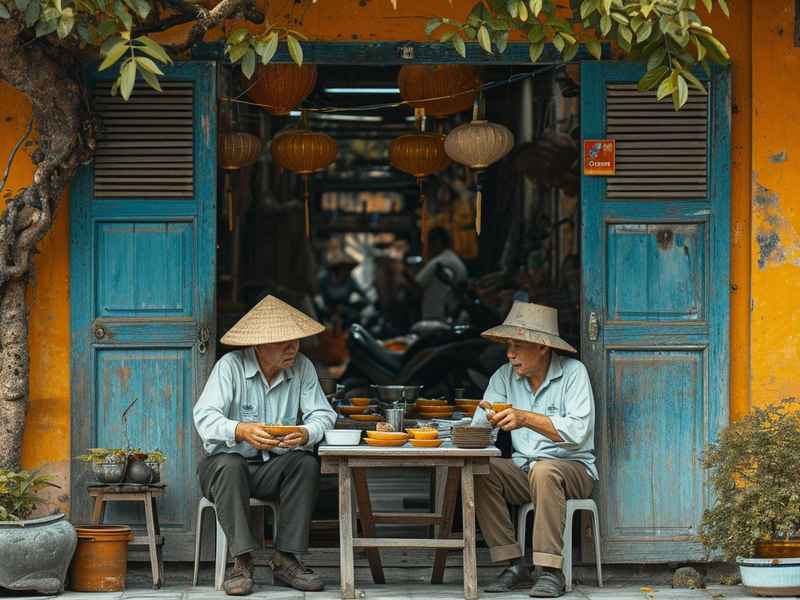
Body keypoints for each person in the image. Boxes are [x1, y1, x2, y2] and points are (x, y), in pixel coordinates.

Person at [193, 295, 337, 596]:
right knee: (231, 465)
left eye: (295, 341)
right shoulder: (230, 367)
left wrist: (306, 432)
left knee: (305, 462)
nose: (293, 348)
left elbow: (324, 415)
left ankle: (286, 559)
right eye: (283, 342)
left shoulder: (302, 368)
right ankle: (242, 562)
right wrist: (241, 430)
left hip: (271, 467)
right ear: (258, 345)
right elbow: (204, 417)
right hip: (223, 470)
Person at [471, 301, 596, 598]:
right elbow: (479, 431)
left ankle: (550, 570)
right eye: (508, 346)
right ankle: (513, 564)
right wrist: (486, 420)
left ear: (542, 347)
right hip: (524, 470)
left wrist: (525, 418)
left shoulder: (573, 373)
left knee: (545, 469)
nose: (509, 353)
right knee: (479, 469)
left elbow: (578, 433)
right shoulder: (504, 376)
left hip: (572, 469)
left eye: (517, 345)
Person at [408, 227, 468, 321]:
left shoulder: (439, 261)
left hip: (437, 317)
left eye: (429, 243)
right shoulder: (455, 259)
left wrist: (402, 272)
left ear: (437, 242)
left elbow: (416, 285)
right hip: (452, 315)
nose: (427, 248)